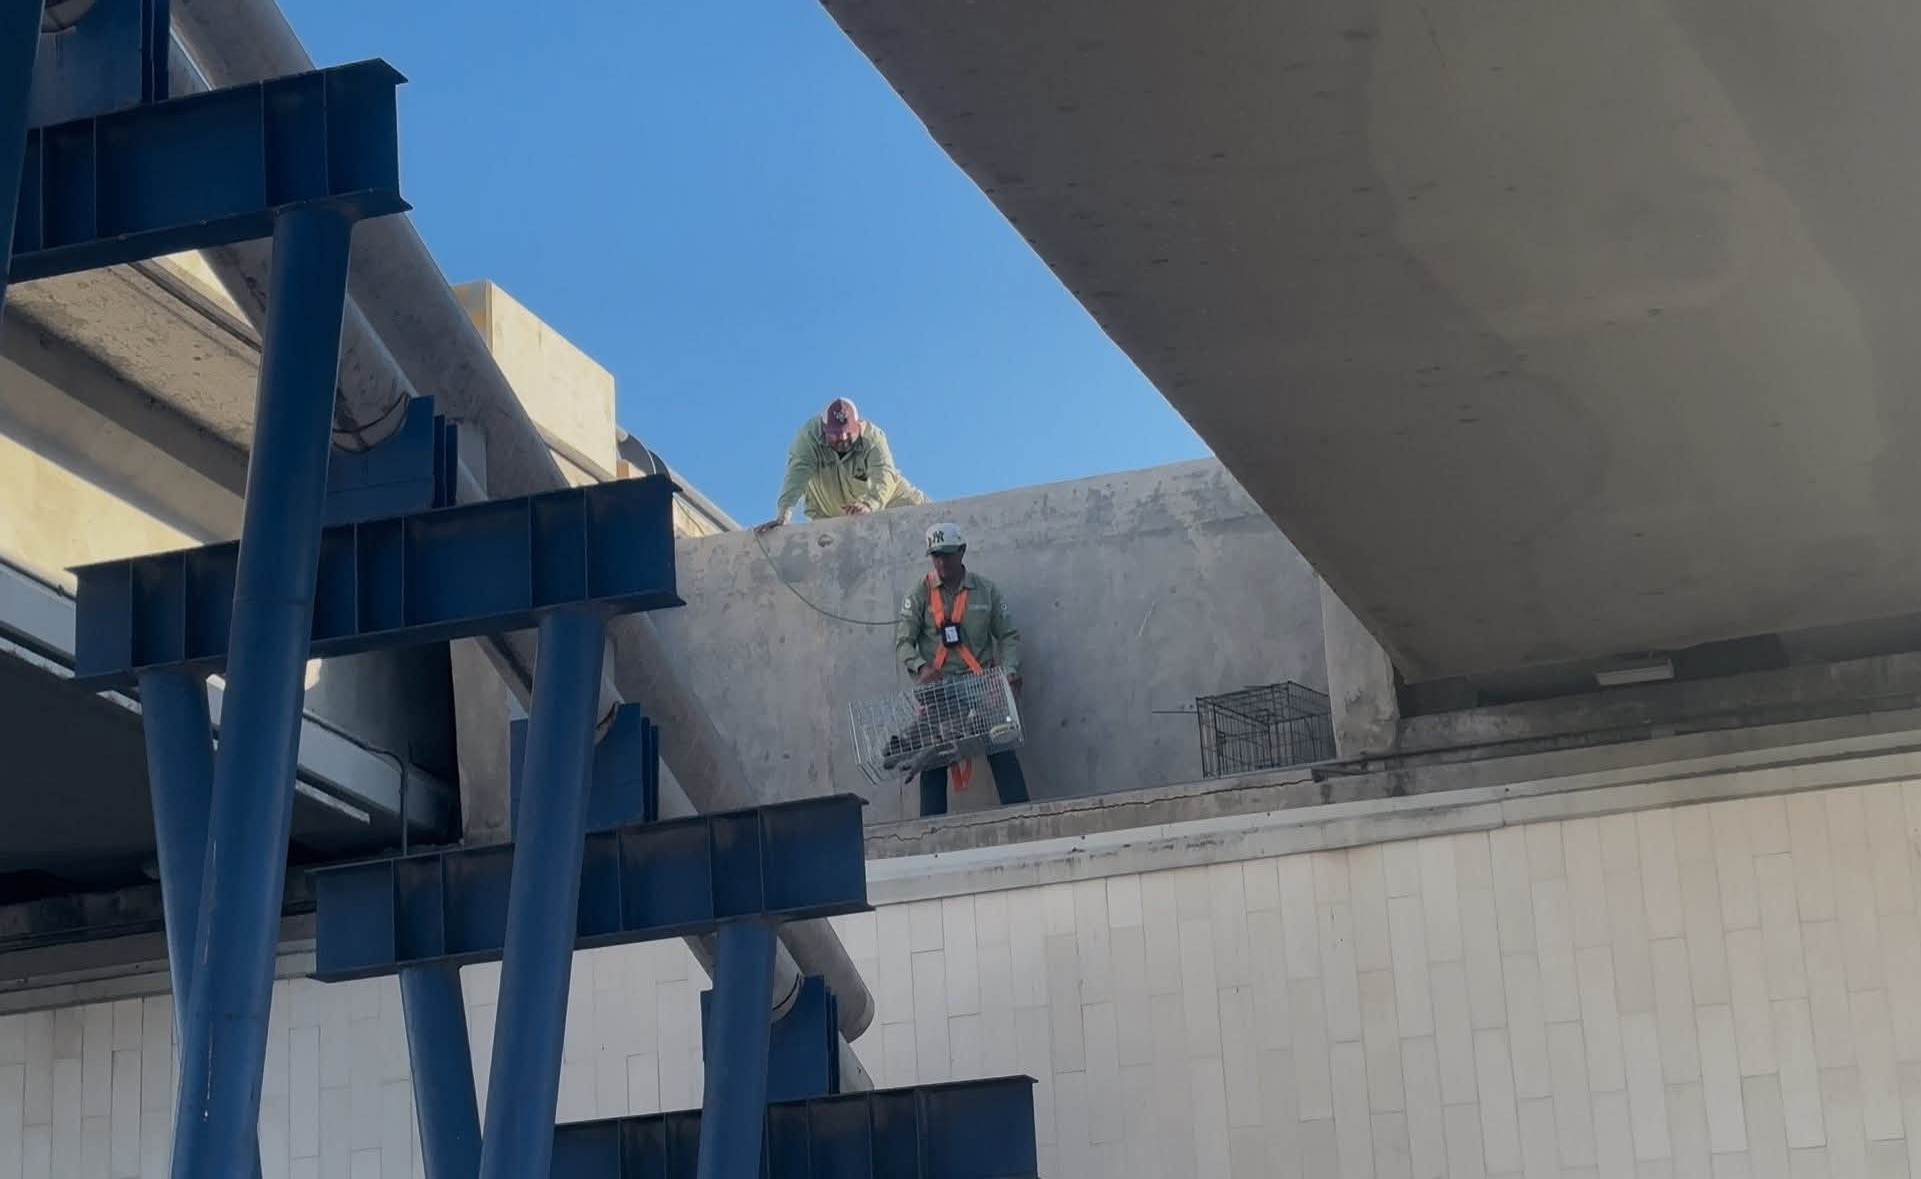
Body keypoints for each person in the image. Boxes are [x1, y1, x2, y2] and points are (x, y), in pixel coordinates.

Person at [891, 521, 1031, 817]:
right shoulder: (920, 592)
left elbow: (1008, 636)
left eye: (947, 554)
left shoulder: (986, 591)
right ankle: (931, 835)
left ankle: (1023, 821)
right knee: (933, 762)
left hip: (982, 686)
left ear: (962, 551)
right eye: (935, 556)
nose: (941, 562)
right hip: (939, 692)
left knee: (1001, 748)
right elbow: (903, 642)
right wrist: (921, 668)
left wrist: (1008, 672)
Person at [754, 398, 925, 533]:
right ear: (824, 428)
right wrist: (784, 514)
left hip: (880, 500)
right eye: (835, 435)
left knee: (927, 513)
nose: (842, 439)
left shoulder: (873, 437)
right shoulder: (808, 437)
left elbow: (883, 474)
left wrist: (869, 504)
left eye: (848, 433)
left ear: (858, 426)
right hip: (828, 512)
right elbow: (796, 475)